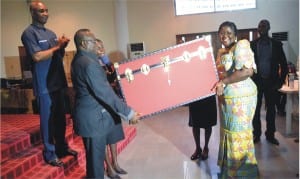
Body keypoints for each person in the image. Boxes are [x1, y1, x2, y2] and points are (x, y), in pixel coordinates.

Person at [71, 29, 140, 179]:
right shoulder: (88, 63)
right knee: (96, 167)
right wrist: (129, 113)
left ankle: (112, 166)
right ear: (84, 43)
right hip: (93, 120)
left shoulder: (81, 59)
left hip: (94, 116)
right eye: (93, 41)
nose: (96, 44)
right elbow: (105, 93)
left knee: (95, 162)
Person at [21, 1, 77, 167]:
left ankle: (62, 148)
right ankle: (50, 153)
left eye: (46, 10)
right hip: (44, 86)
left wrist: (62, 47)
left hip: (58, 83)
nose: (45, 13)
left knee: (60, 119)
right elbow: (37, 57)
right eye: (41, 11)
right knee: (47, 121)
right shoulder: (28, 33)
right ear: (32, 13)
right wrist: (56, 47)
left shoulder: (51, 33)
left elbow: (57, 56)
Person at [213, 21, 259, 178]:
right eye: (221, 32)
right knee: (228, 133)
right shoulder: (220, 52)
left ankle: (243, 174)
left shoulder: (242, 45)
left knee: (238, 134)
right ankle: (229, 171)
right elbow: (219, 74)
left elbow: (247, 71)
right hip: (226, 101)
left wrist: (223, 82)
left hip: (241, 100)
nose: (224, 36)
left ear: (235, 34)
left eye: (228, 32)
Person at [251, 19, 288, 145]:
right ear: (258, 29)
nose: (262, 28)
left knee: (271, 110)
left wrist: (280, 82)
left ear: (269, 28)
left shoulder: (277, 44)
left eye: (264, 26)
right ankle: (256, 134)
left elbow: (284, 65)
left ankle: (270, 135)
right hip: (256, 83)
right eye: (260, 26)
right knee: (255, 111)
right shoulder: (252, 45)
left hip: (272, 83)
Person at [96, 39, 127, 179]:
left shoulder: (106, 63)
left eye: (102, 46)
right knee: (103, 139)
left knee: (113, 136)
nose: (101, 49)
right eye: (97, 47)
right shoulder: (92, 65)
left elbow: (115, 77)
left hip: (111, 104)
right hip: (100, 105)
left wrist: (107, 61)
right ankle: (108, 167)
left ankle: (115, 163)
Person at [189, 96, 217, 161]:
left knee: (208, 123)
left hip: (208, 93)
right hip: (194, 94)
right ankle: (198, 148)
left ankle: (206, 148)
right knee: (195, 123)